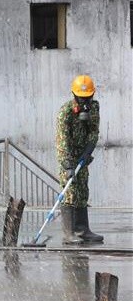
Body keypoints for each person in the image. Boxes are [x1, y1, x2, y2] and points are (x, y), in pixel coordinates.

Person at [56, 75, 103, 245]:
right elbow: (62, 142)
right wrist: (68, 165)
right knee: (70, 192)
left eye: (88, 97)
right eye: (81, 98)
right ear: (74, 95)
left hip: (83, 154)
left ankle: (83, 230)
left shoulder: (94, 108)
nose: (85, 101)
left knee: (82, 190)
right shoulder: (65, 112)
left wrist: (88, 150)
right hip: (68, 155)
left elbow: (94, 131)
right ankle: (69, 233)